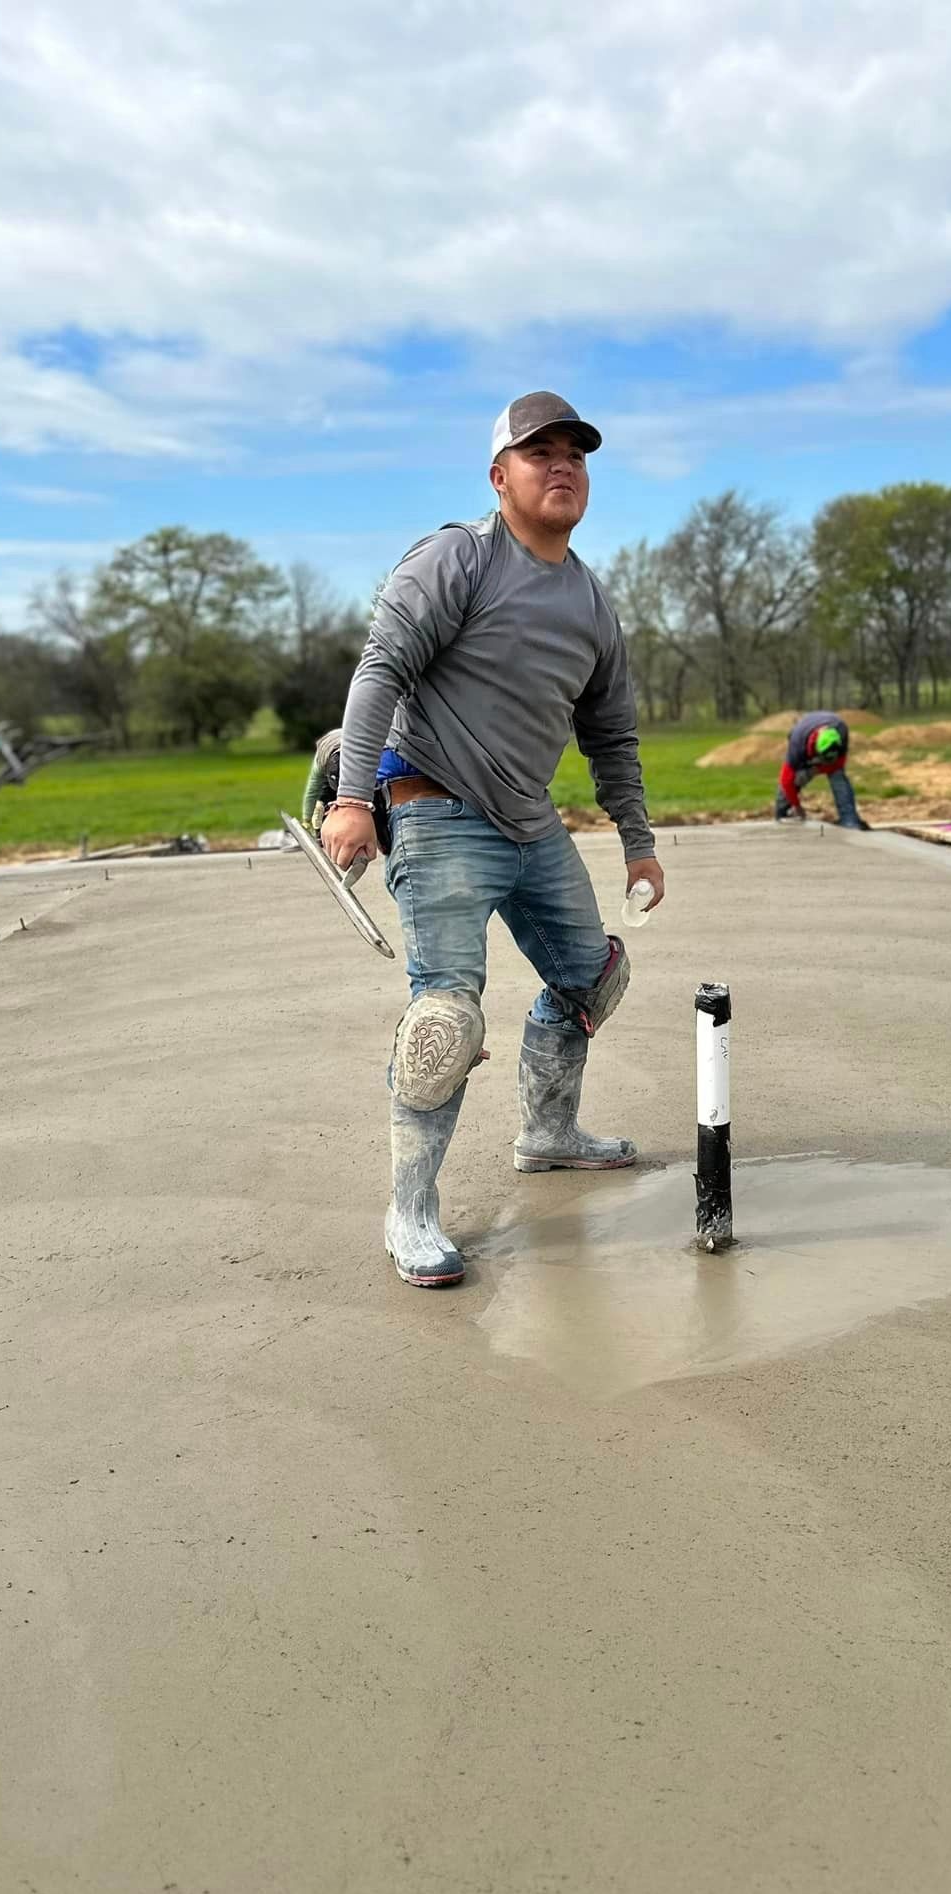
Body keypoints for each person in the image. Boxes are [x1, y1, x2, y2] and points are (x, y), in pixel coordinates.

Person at [319, 391, 665, 1288]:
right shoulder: (459, 558)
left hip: (528, 820)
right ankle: (410, 1214)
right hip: (435, 808)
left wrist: (637, 839)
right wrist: (354, 798)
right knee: (446, 1016)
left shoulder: (590, 601)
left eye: (576, 455)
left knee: (592, 975)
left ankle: (548, 1132)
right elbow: (379, 671)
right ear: (499, 474)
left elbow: (612, 735)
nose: (561, 466)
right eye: (538, 452)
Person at [774, 712, 870, 828]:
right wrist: (797, 806)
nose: (825, 762)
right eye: (824, 759)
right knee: (792, 783)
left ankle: (849, 820)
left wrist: (820, 768)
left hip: (829, 723)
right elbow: (786, 781)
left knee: (839, 778)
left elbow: (839, 763)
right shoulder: (797, 746)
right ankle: (782, 815)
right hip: (805, 735)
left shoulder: (841, 731)